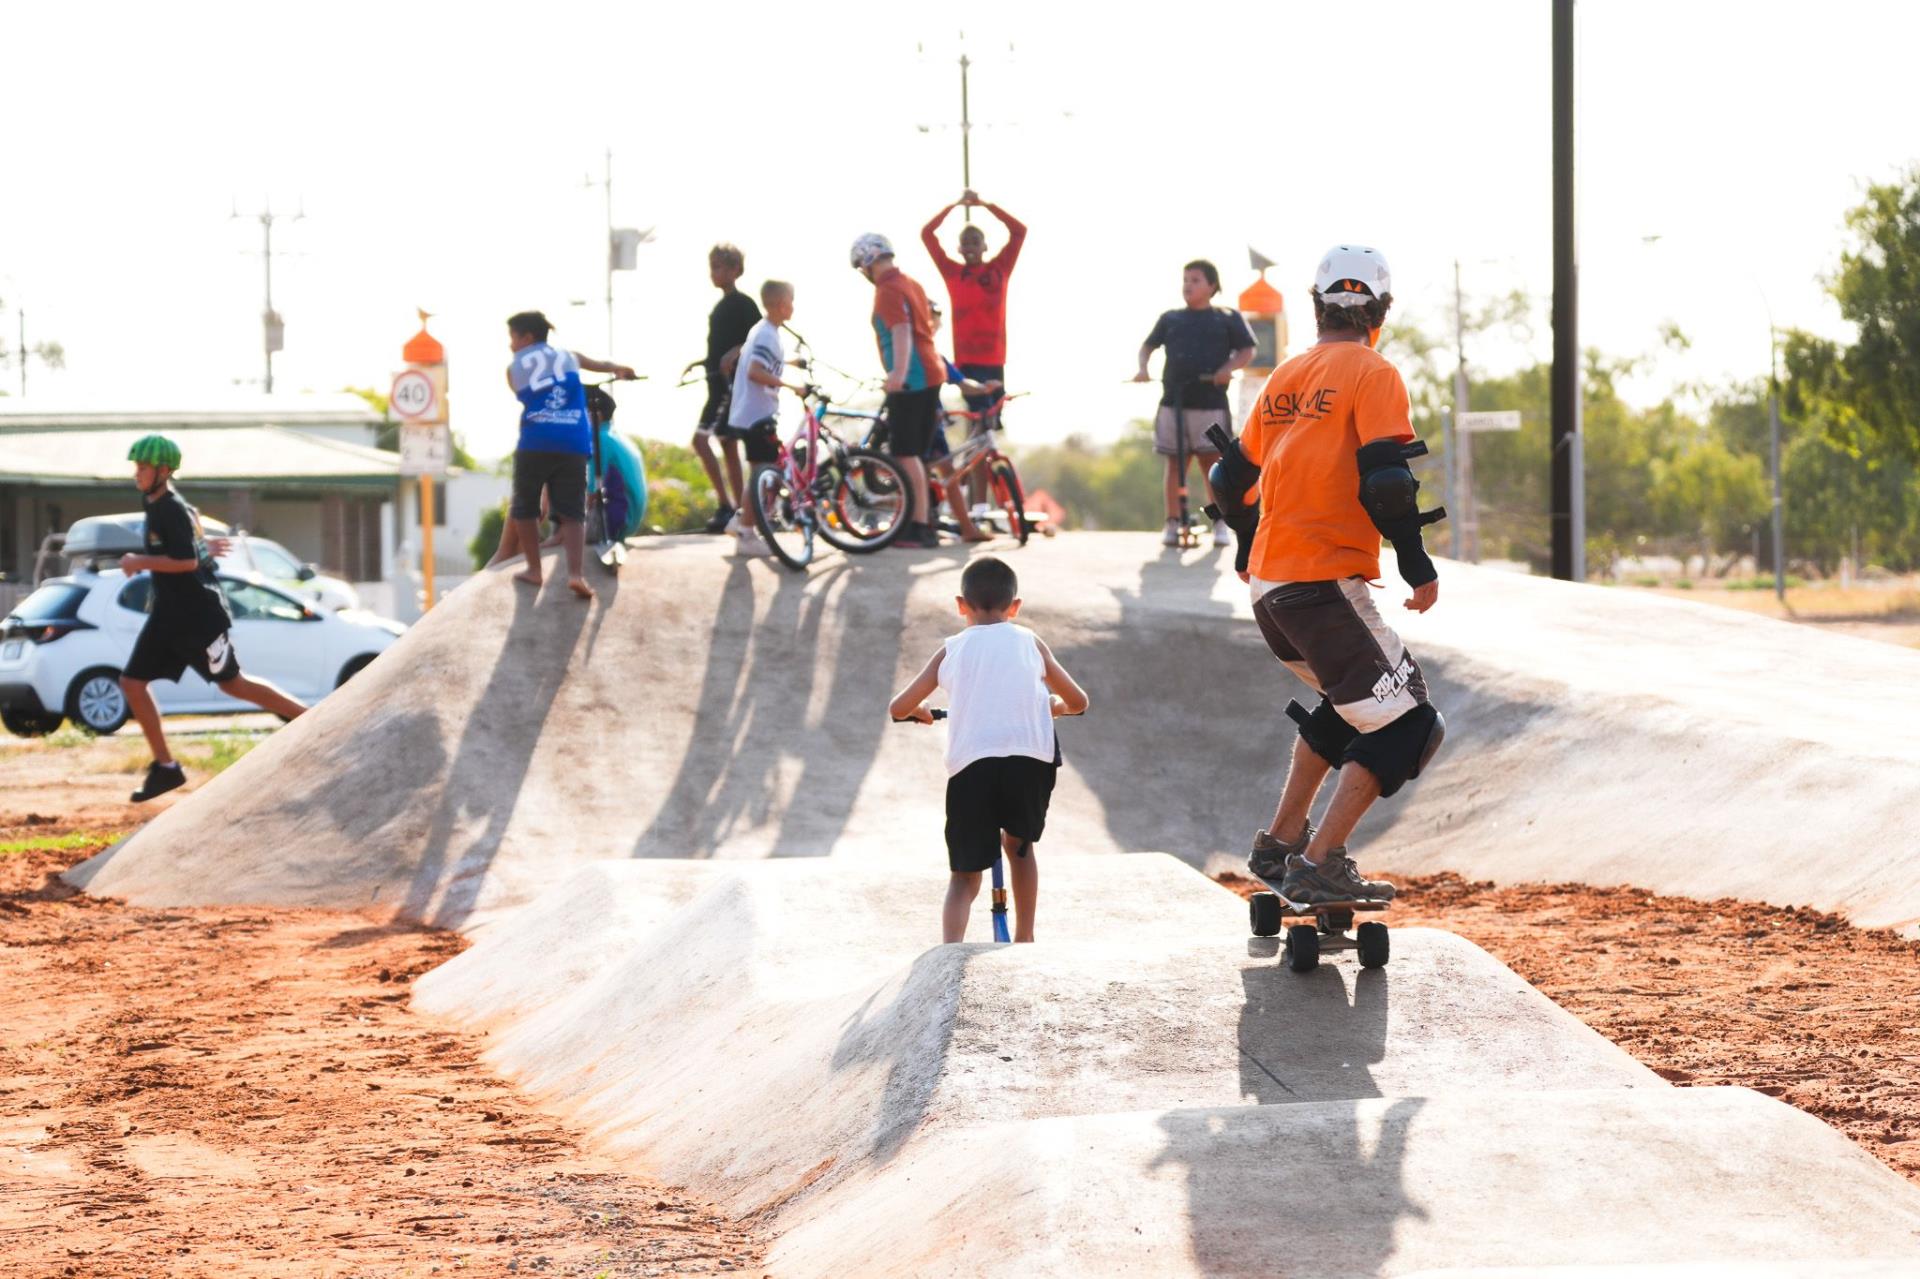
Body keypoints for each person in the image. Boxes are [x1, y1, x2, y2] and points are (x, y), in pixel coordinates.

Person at [1208, 245, 1447, 905]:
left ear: (1316, 308)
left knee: (1351, 707)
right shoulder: (1373, 371)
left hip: (1271, 591)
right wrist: (1416, 560)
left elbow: (1230, 477)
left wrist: (1247, 547)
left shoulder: (1285, 374)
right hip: (1322, 583)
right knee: (1410, 725)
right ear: (1381, 310)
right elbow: (1389, 482)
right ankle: (1318, 864)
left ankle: (1282, 842)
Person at [889, 556, 1089, 943]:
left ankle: (950, 954)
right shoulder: (1030, 641)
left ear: (960, 604)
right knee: (1019, 847)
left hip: (972, 766)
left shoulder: (951, 649)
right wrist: (1054, 707)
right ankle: (1025, 938)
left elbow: (898, 707)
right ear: (1015, 607)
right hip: (1030, 762)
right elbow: (1078, 700)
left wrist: (923, 713)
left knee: (964, 876)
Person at [117, 434, 309, 802]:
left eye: (143, 467)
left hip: (196, 617)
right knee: (131, 682)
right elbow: (193, 552)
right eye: (136, 467)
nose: (137, 474)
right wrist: (203, 547)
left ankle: (310, 719)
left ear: (164, 471)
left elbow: (187, 562)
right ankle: (167, 768)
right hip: (167, 617)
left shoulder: (171, 507)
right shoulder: (156, 503)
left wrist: (138, 562)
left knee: (233, 685)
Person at [500, 310, 635, 599]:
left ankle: (534, 570)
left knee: (525, 506)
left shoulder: (514, 367)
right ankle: (575, 574)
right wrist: (622, 369)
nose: (511, 345)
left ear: (527, 336)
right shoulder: (569, 356)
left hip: (536, 439)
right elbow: (603, 365)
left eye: (512, 337)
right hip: (574, 440)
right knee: (573, 512)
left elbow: (520, 391)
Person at [1134, 260, 1256, 549]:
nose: (1188, 285)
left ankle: (1219, 523)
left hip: (1210, 402)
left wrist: (1227, 368)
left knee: (1211, 465)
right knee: (1175, 463)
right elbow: (1147, 346)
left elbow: (1247, 349)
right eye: (1185, 279)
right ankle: (1173, 522)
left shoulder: (1226, 317)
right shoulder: (1171, 318)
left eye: (1196, 280)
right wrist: (1143, 368)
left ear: (1212, 286)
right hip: (1173, 401)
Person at [851, 232, 946, 549]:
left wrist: (898, 374)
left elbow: (902, 331)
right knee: (914, 456)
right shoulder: (911, 283)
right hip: (929, 373)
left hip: (913, 379)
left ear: (867, 262)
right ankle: (922, 522)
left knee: (905, 454)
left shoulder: (887, 290)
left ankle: (917, 526)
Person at [921, 191, 1025, 420]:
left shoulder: (1000, 270)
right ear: (958, 248)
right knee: (979, 417)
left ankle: (985, 456)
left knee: (993, 423)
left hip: (995, 359)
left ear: (985, 246)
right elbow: (927, 234)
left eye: (975, 242)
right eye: (965, 243)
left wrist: (986, 205)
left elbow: (1019, 231)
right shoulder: (953, 273)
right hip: (967, 361)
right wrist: (954, 205)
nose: (969, 247)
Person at [723, 280, 808, 559]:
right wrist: (791, 386)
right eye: (792, 300)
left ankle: (741, 520)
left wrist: (793, 363)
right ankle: (746, 533)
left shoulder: (764, 331)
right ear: (782, 303)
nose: (794, 306)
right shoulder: (767, 335)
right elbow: (756, 372)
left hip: (753, 413)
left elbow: (762, 362)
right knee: (764, 473)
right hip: (757, 415)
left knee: (764, 472)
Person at [684, 244, 762, 533]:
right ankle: (738, 509)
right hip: (715, 383)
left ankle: (728, 504)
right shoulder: (721, 305)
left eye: (719, 267)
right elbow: (720, 347)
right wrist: (702, 362)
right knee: (727, 442)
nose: (714, 273)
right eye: (712, 266)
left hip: (729, 388)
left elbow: (759, 338)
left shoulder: (743, 303)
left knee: (701, 440)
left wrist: (735, 353)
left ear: (735, 270)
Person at [925, 300, 996, 543]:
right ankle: (963, 527)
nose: (937, 324)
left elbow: (962, 381)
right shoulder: (921, 351)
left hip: (932, 417)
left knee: (941, 471)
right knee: (937, 471)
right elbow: (962, 382)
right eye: (931, 318)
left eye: (936, 319)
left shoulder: (932, 354)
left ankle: (959, 526)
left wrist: (984, 387)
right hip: (923, 419)